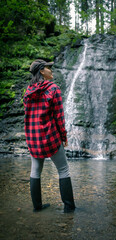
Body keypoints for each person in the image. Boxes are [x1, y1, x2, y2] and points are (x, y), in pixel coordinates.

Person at [23, 59, 76, 213]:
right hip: (50, 137)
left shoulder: (28, 91)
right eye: (48, 68)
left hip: (33, 138)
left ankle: (37, 207)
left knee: (35, 171)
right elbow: (59, 117)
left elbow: (27, 116)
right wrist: (64, 137)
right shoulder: (53, 89)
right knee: (63, 170)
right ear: (41, 71)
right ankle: (69, 207)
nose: (51, 70)